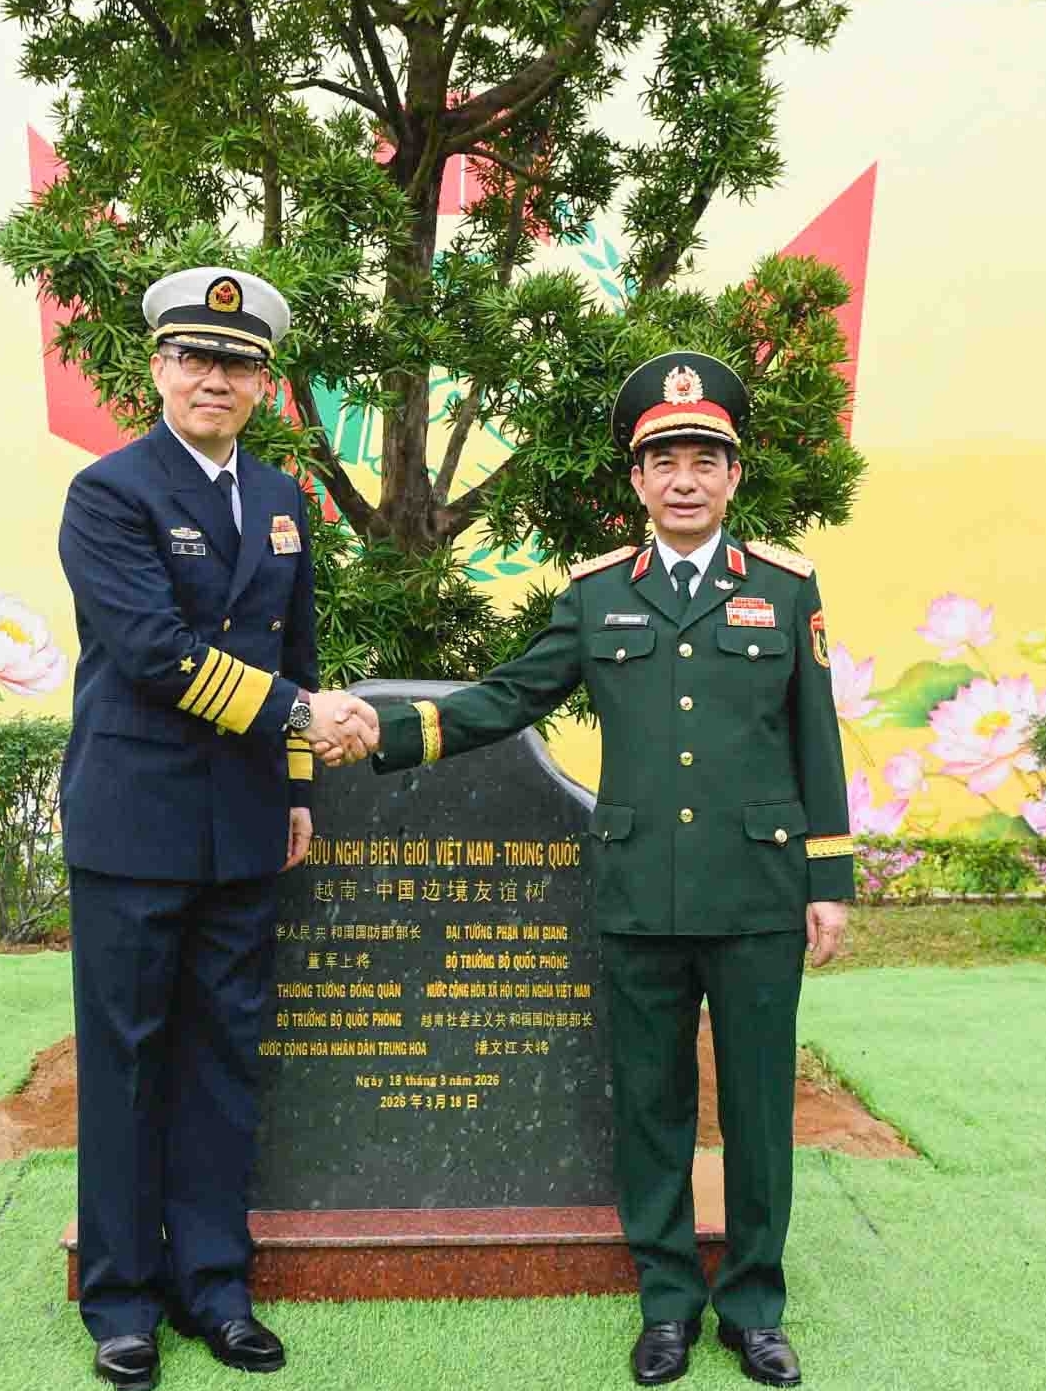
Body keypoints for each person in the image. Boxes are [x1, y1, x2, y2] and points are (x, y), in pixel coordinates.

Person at [329, 350, 853, 1388]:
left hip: (755, 893)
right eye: (665, 461)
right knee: (650, 1104)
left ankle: (752, 1308)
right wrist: (382, 733)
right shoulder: (599, 596)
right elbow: (505, 698)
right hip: (639, 891)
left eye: (707, 458)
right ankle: (666, 1302)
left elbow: (816, 741)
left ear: (734, 477)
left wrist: (827, 881)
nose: (687, 478)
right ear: (637, 481)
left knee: (753, 1106)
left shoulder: (786, 594)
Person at [55, 264, 379, 1390]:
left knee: (222, 1058)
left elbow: (293, 649)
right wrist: (301, 715)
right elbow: (151, 655)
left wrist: (293, 788)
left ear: (262, 384)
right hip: (133, 823)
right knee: (128, 1061)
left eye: (236, 364)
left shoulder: (284, 500)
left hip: (242, 825)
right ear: (155, 367)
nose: (213, 377)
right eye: (193, 357)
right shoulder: (109, 494)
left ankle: (214, 1287)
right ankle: (122, 1300)